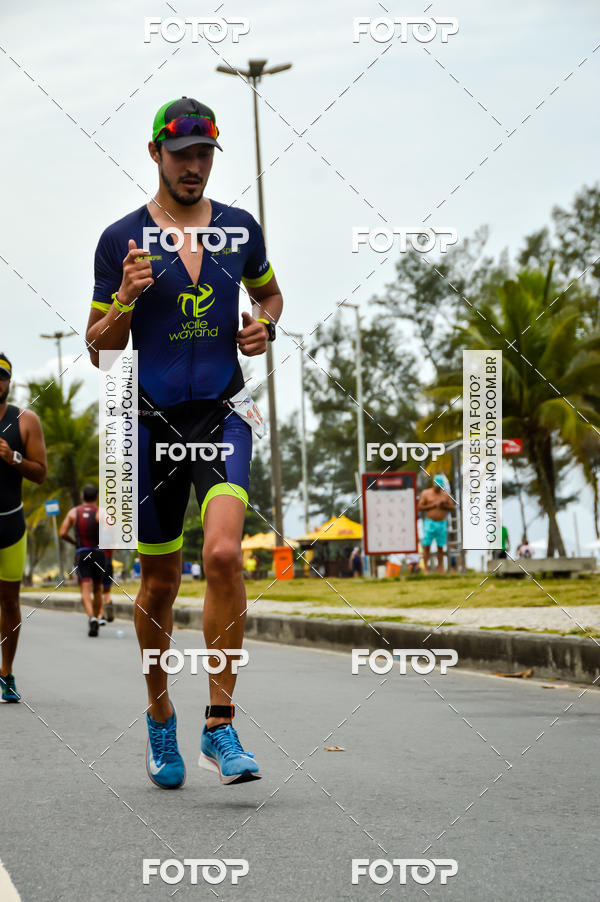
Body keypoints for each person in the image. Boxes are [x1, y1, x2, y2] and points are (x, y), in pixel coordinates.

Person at [86, 97, 283, 789]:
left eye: (204, 155)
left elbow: (271, 297)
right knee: (160, 583)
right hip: (152, 423)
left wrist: (262, 326)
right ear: (155, 156)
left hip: (227, 412)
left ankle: (221, 727)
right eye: (182, 155)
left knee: (225, 554)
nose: (194, 166)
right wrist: (124, 302)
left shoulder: (240, 229)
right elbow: (98, 351)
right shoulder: (122, 241)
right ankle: (159, 716)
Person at [0, 354, 47, 702]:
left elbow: (40, 473)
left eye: (1, 376)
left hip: (10, 525)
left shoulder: (24, 420)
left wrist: (12, 457)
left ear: (9, 382)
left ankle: (6, 673)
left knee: (10, 603)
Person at [59, 485, 107, 637]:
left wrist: (74, 542)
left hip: (82, 554)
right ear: (96, 497)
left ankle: (92, 617)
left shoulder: (74, 512)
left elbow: (62, 532)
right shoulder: (101, 512)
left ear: (82, 497)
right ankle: (97, 617)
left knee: (85, 590)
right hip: (99, 553)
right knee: (98, 588)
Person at [417, 475, 455, 574]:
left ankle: (440, 569)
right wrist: (432, 505)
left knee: (440, 547)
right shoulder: (426, 493)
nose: (438, 488)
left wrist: (444, 505)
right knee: (426, 546)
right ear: (434, 484)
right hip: (429, 523)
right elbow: (420, 507)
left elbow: (452, 507)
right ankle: (425, 569)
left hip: (441, 523)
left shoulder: (445, 495)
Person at [100, 548, 115, 622]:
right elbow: (116, 548)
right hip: (108, 565)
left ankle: (102, 615)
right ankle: (108, 607)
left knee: (98, 591)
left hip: (98, 564)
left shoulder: (95, 536)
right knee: (107, 591)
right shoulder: (110, 537)